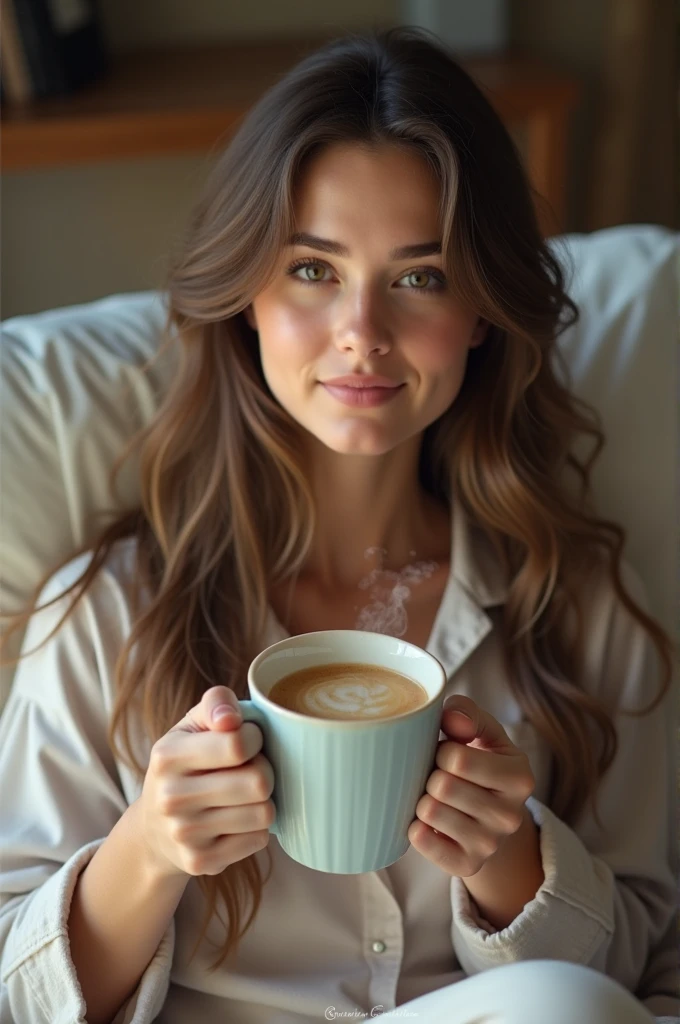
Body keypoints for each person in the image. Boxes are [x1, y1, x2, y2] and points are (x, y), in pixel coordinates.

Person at [0, 26, 676, 1024]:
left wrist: (512, 862)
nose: (361, 329)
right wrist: (148, 846)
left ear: (482, 309)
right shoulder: (108, 612)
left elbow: (639, 969)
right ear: (247, 299)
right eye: (312, 269)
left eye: (419, 275)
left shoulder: (573, 601)